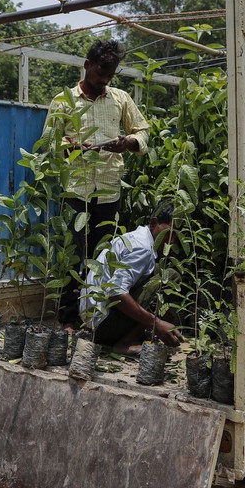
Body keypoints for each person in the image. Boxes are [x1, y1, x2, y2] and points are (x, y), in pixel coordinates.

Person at [43, 39, 150, 320]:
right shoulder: (63, 101)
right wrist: (72, 147)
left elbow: (143, 132)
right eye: (101, 71)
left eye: (110, 74)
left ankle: (97, 317)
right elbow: (49, 143)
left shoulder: (120, 98)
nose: (104, 79)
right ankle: (67, 318)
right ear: (87, 65)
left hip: (109, 191)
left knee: (105, 257)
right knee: (73, 256)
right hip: (76, 191)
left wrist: (127, 142)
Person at [78, 202, 183, 353]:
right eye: (168, 233)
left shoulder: (137, 238)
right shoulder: (143, 248)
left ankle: (130, 333)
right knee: (170, 276)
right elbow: (115, 293)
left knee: (159, 271)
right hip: (103, 325)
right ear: (153, 223)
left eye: (175, 236)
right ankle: (126, 342)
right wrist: (157, 323)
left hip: (93, 321)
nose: (172, 241)